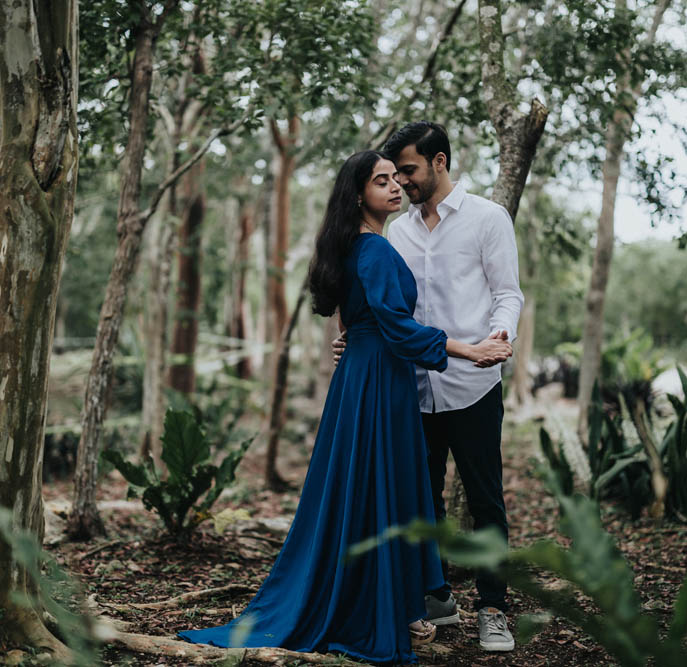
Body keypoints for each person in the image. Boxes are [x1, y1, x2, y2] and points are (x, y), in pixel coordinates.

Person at [178, 150, 512, 664]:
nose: (395, 187)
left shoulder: (363, 244)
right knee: (383, 488)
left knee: (380, 487)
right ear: (359, 194)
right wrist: (469, 348)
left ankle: (406, 603)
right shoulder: (375, 249)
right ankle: (384, 606)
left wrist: (354, 339)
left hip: (370, 374)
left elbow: (358, 315)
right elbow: (398, 326)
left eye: (397, 177)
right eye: (382, 181)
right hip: (379, 379)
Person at [335, 122, 523, 652]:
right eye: (393, 175)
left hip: (472, 381)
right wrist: (354, 341)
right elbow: (385, 306)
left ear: (439, 162)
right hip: (410, 387)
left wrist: (499, 336)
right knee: (421, 499)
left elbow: (508, 292)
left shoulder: (488, 218)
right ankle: (434, 598)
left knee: (485, 500)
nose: (403, 182)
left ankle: (493, 609)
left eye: (409, 171)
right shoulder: (397, 230)